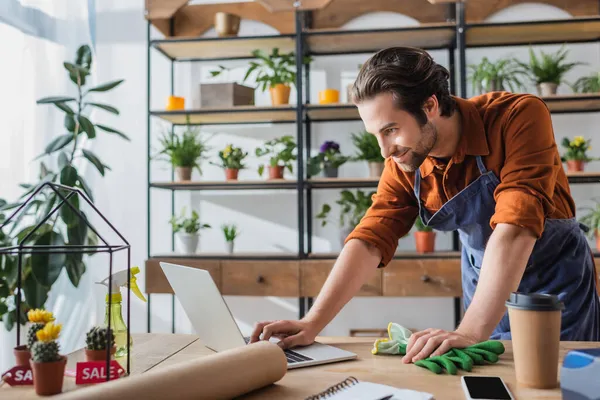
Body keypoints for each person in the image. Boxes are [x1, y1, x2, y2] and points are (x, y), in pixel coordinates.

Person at [250, 46, 600, 364]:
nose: (385, 150)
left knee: (558, 382)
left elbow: (516, 224)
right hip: (485, 292)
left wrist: (469, 331)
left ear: (430, 106)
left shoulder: (517, 116)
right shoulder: (404, 162)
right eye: (376, 135)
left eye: (391, 130)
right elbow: (372, 236)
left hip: (555, 292)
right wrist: (312, 322)